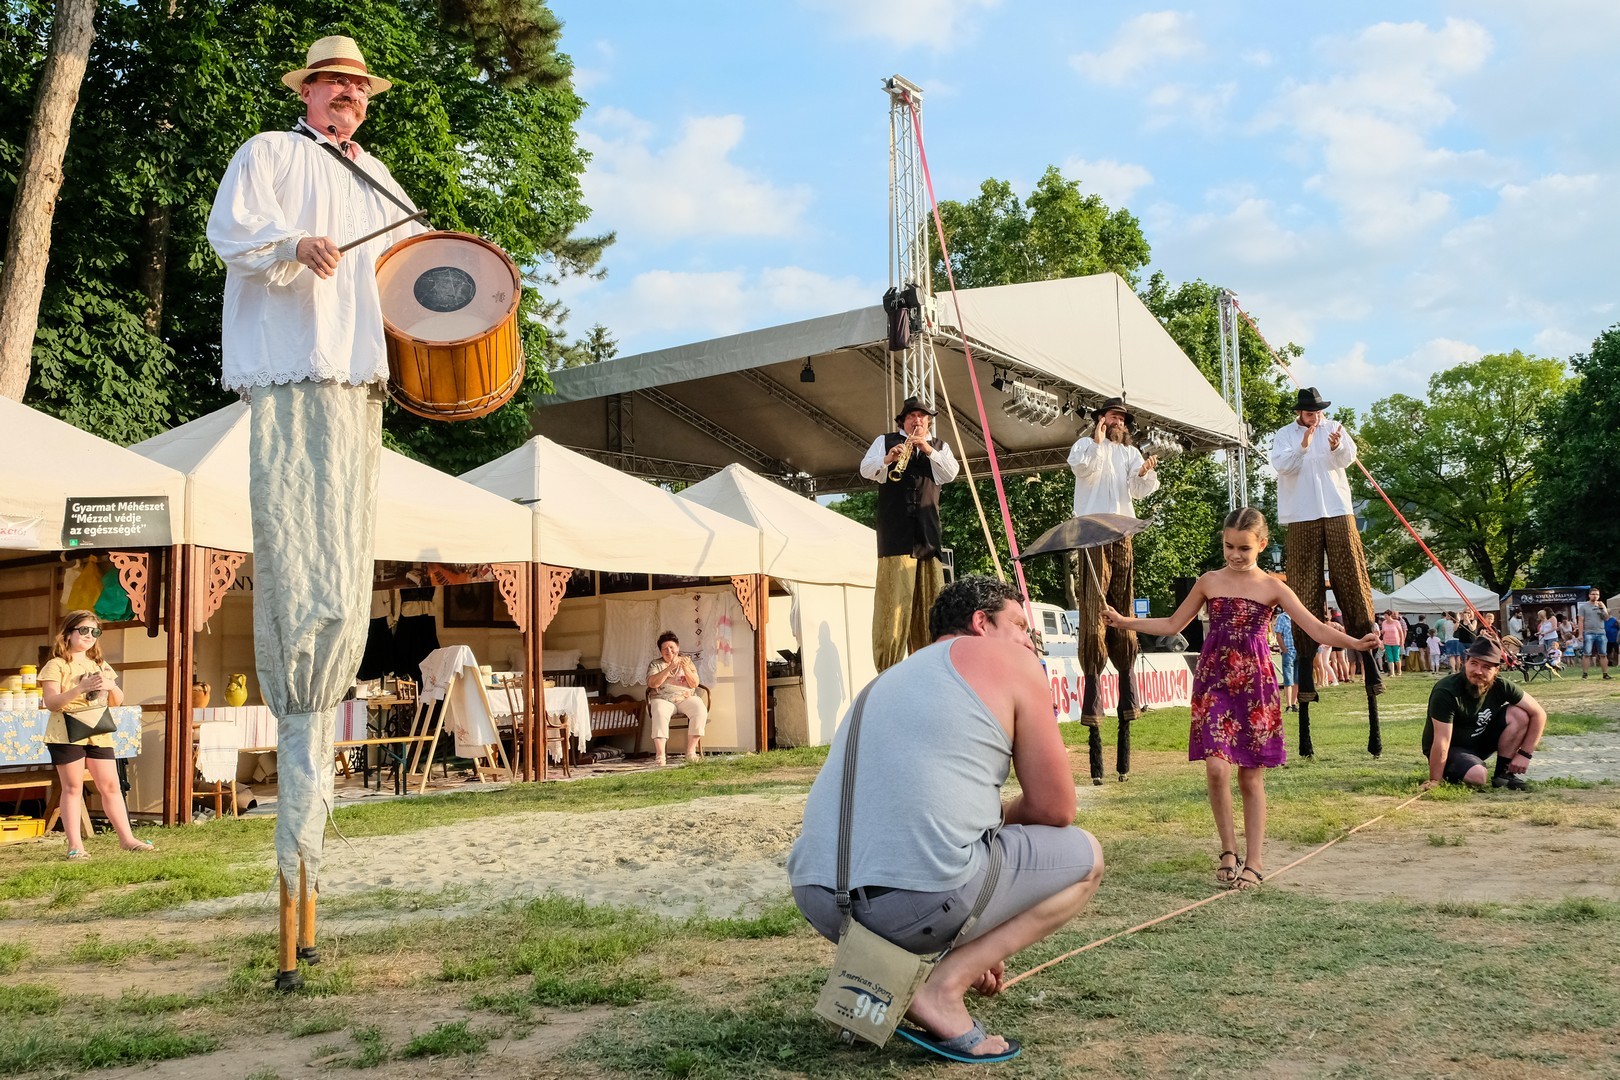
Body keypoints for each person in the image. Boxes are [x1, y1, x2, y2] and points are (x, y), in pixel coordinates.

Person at [207, 36, 426, 958]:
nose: (350, 97)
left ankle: (310, 886)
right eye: (337, 83)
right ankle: (293, 891)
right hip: (294, 370)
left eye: (360, 87)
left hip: (358, 381)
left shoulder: (381, 181)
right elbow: (230, 235)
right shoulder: (270, 153)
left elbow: (419, 274)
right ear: (309, 90)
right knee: (298, 559)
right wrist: (295, 246)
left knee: (342, 569)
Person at [788, 576, 1102, 1063]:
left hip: (821, 900)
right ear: (981, 623)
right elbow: (1055, 808)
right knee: (1087, 858)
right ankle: (941, 988)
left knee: (946, 859)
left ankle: (903, 973)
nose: (1028, 640)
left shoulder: (886, 679)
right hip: (912, 902)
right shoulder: (1013, 662)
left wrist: (983, 924)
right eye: (1020, 625)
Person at [1104, 508, 1379, 891]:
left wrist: (1355, 643)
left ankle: (1255, 861)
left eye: (1244, 548)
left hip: (1255, 687)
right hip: (1214, 681)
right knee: (1216, 769)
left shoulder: (1274, 587)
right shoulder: (1209, 581)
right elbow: (1171, 624)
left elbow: (1316, 628)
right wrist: (1124, 621)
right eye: (1229, 546)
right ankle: (1228, 850)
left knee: (1251, 775)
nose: (1235, 554)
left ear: (1262, 545)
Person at [1270, 388, 1384, 710]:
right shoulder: (1284, 435)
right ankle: (1306, 664)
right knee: (1304, 585)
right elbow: (1282, 466)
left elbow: (1348, 458)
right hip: (1301, 513)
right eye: (1310, 413)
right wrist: (1304, 445)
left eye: (1318, 412)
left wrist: (1336, 446)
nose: (1315, 418)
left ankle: (1367, 651)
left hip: (1337, 509)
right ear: (1300, 412)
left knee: (1352, 576)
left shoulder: (1334, 427)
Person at [1067, 396, 1159, 783]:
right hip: (1091, 529)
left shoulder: (1129, 453)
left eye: (1122, 418)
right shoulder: (1085, 446)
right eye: (1112, 417)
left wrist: (1146, 472)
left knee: (1123, 612)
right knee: (1094, 611)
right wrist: (1098, 438)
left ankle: (1127, 697)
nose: (1118, 422)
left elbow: (1138, 490)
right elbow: (1081, 467)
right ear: (1101, 419)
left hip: (1123, 530)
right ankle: (1093, 706)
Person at [38, 611, 154, 859]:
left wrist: (111, 686)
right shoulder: (56, 665)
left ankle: (127, 839)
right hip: (66, 732)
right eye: (84, 630)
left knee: (111, 785)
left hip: (98, 730)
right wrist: (80, 688)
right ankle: (75, 846)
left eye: (95, 632)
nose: (90, 636)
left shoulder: (100, 664)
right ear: (68, 633)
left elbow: (117, 701)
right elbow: (51, 703)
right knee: (73, 787)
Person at [860, 397, 961, 672]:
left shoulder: (939, 446)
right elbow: (865, 470)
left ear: (929, 422)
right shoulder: (885, 441)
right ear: (902, 421)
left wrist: (927, 450)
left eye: (923, 416)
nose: (918, 420)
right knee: (893, 606)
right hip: (896, 537)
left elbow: (951, 473)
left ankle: (930, 667)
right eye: (912, 416)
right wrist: (888, 458)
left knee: (931, 606)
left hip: (927, 537)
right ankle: (888, 670)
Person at [1422, 638, 1547, 791]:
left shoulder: (1501, 685)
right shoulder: (1446, 691)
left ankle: (1503, 775)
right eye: (1474, 663)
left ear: (1496, 670)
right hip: (1451, 747)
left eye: (1486, 666)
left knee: (1519, 714)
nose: (1478, 671)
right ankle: (1464, 767)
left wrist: (1525, 754)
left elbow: (1539, 714)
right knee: (1478, 776)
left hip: (1479, 742)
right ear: (1465, 662)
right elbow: (1442, 740)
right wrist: (1435, 780)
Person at [645, 631, 707, 765]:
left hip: (685, 698)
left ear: (678, 648)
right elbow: (652, 683)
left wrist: (685, 667)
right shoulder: (655, 664)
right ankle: (660, 756)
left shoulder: (687, 662)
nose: (669, 651)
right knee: (659, 711)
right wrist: (670, 667)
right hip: (663, 698)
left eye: (671, 647)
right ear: (660, 651)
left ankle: (691, 752)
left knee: (699, 709)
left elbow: (694, 684)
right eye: (665, 649)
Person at [1577, 587, 1611, 680]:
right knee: (1587, 654)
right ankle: (1585, 674)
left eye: (1597, 594)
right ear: (1589, 595)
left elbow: (1606, 618)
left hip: (1601, 632)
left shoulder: (1601, 605)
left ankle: (1605, 674)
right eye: (1593, 594)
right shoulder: (1584, 606)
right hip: (1588, 633)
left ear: (1599, 596)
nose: (1595, 596)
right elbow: (1580, 620)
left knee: (1603, 654)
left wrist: (1602, 609)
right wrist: (1580, 634)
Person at [1273, 609, 1298, 712]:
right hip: (1289, 650)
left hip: (1298, 650)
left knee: (1297, 679)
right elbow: (1278, 635)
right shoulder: (1282, 617)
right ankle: (1289, 705)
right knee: (1288, 678)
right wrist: (1284, 649)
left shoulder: (1298, 615)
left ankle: (1294, 703)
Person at [1380, 610, 1406, 677]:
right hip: (1387, 642)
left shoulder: (1396, 622)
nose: (1385, 617)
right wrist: (1382, 632)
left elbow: (1400, 632)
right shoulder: (1384, 623)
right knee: (1389, 657)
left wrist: (1402, 641)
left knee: (1396, 657)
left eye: (1386, 615)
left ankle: (1399, 670)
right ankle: (1392, 672)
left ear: (1389, 615)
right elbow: (1383, 631)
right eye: (1384, 615)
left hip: (1395, 642)